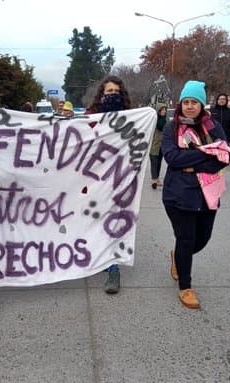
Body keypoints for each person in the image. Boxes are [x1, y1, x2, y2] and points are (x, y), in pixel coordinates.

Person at [161, 80, 230, 309]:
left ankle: (177, 257)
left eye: (194, 102)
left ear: (202, 104)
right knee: (186, 238)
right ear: (180, 104)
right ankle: (185, 286)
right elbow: (173, 158)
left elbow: (224, 157)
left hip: (208, 193)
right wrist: (207, 154)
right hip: (178, 194)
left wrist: (196, 162)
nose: (190, 106)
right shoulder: (171, 128)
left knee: (202, 239)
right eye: (186, 102)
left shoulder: (213, 128)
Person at [85, 75, 132, 294]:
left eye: (115, 92)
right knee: (93, 220)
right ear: (101, 95)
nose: (112, 95)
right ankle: (94, 255)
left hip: (117, 180)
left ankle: (113, 267)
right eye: (108, 92)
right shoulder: (90, 116)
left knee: (113, 222)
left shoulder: (132, 118)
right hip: (92, 180)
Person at [149, 105, 168, 189]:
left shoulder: (166, 120)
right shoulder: (154, 120)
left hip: (162, 145)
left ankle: (157, 179)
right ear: (159, 111)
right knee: (154, 162)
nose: (164, 111)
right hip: (154, 145)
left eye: (165, 110)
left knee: (159, 163)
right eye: (162, 110)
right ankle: (154, 180)